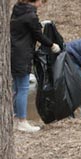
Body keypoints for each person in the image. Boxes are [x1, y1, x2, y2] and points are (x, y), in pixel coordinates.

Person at [10, 0, 60, 133]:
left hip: (13, 53)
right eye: (40, 2)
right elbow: (38, 35)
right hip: (22, 55)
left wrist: (38, 25)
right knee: (23, 88)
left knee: (16, 87)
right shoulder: (31, 15)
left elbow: (27, 29)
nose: (41, 4)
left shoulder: (18, 10)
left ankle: (13, 118)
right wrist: (52, 45)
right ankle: (22, 121)